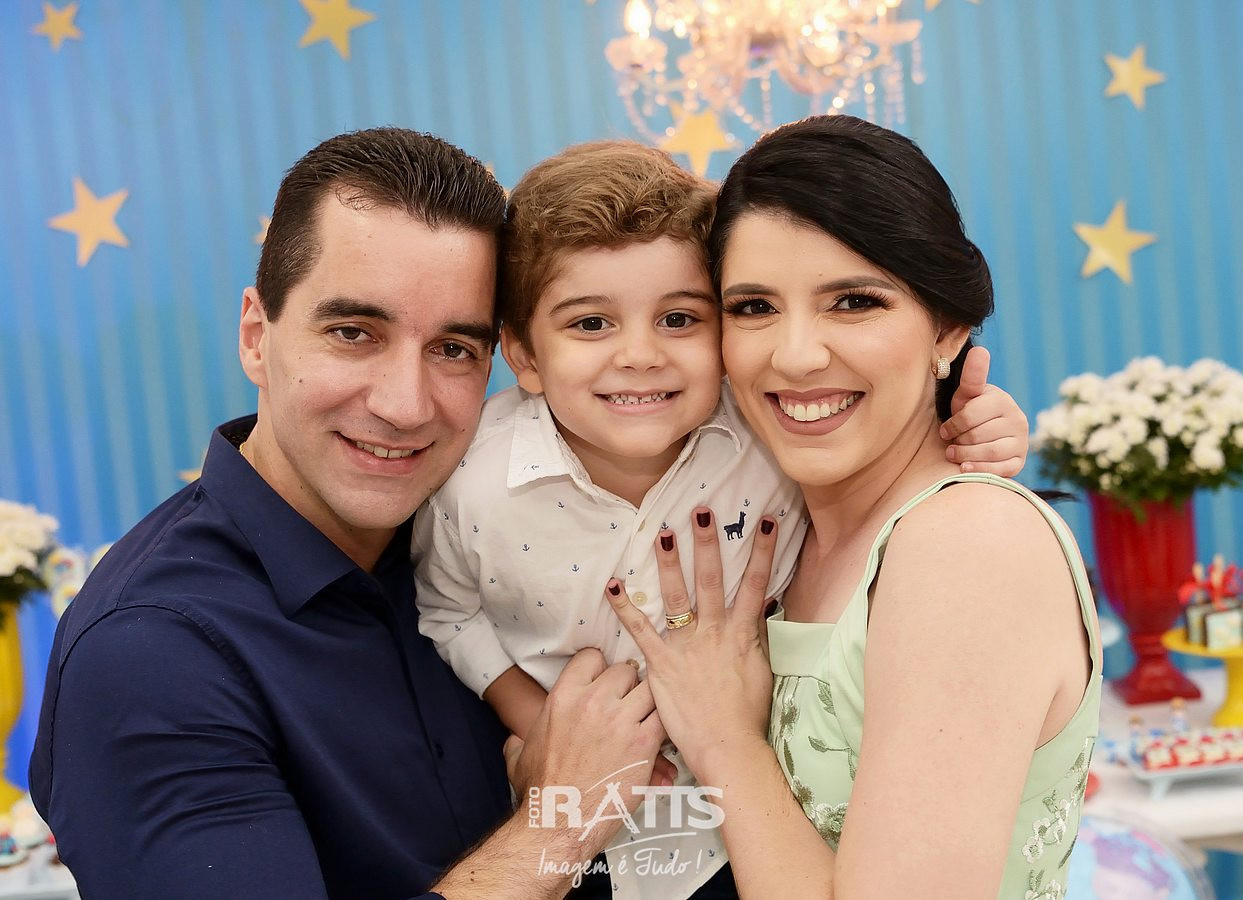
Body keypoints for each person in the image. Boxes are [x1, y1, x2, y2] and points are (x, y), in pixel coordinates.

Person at [29, 128, 668, 900]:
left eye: (453, 349)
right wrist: (559, 824)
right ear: (256, 337)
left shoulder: (482, 533)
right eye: (353, 333)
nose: (405, 405)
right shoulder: (150, 648)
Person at [414, 139, 1032, 898]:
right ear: (524, 356)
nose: (640, 355)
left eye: (679, 318)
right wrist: (542, 723)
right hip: (568, 835)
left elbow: (874, 426)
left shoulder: (767, 440)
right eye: (591, 324)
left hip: (737, 847)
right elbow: (447, 611)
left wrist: (973, 425)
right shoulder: (473, 482)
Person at [606, 115, 1102, 899]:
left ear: (947, 330)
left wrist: (724, 740)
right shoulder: (776, 527)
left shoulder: (967, 546)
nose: (796, 354)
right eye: (753, 308)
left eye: (853, 302)